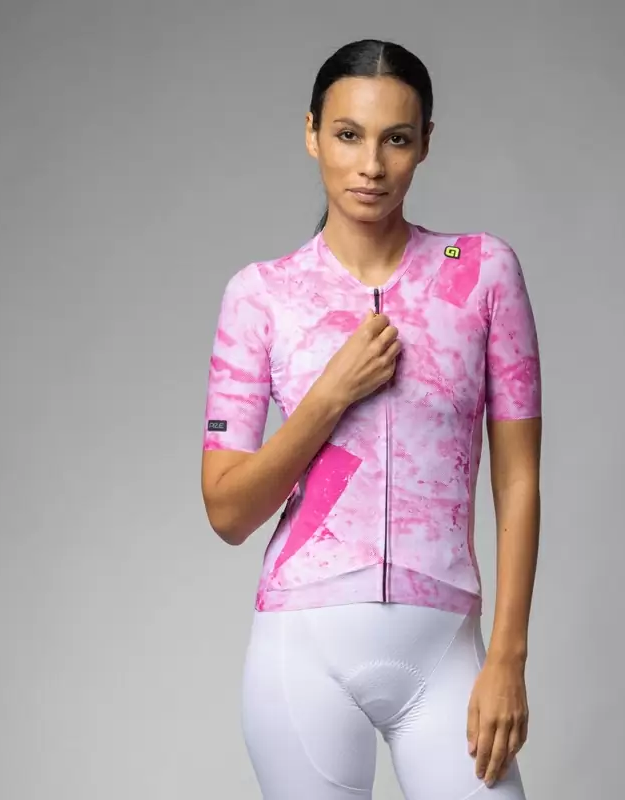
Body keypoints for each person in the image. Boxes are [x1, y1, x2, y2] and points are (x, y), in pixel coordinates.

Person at [201, 38, 542, 800]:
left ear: (425, 143)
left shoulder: (483, 274)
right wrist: (330, 394)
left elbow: (518, 481)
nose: (371, 165)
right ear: (312, 133)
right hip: (301, 653)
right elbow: (227, 511)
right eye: (349, 135)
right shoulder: (261, 296)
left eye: (397, 139)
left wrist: (508, 657)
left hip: (448, 649)